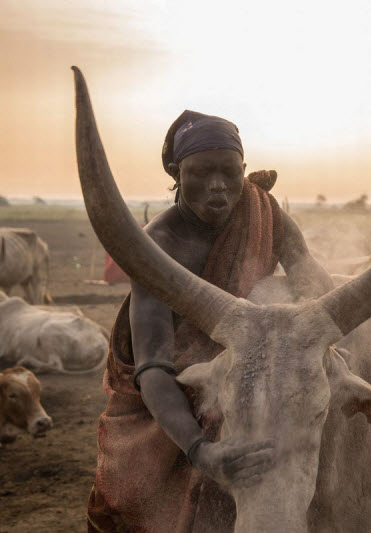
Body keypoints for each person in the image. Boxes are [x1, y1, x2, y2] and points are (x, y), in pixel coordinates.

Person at [87, 110, 333, 532]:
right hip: (174, 397)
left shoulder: (265, 213)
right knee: (136, 499)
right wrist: (200, 450)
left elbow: (318, 291)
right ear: (177, 173)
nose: (218, 186)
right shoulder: (157, 246)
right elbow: (152, 366)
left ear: (243, 171)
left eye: (230, 171)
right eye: (201, 172)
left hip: (256, 376)